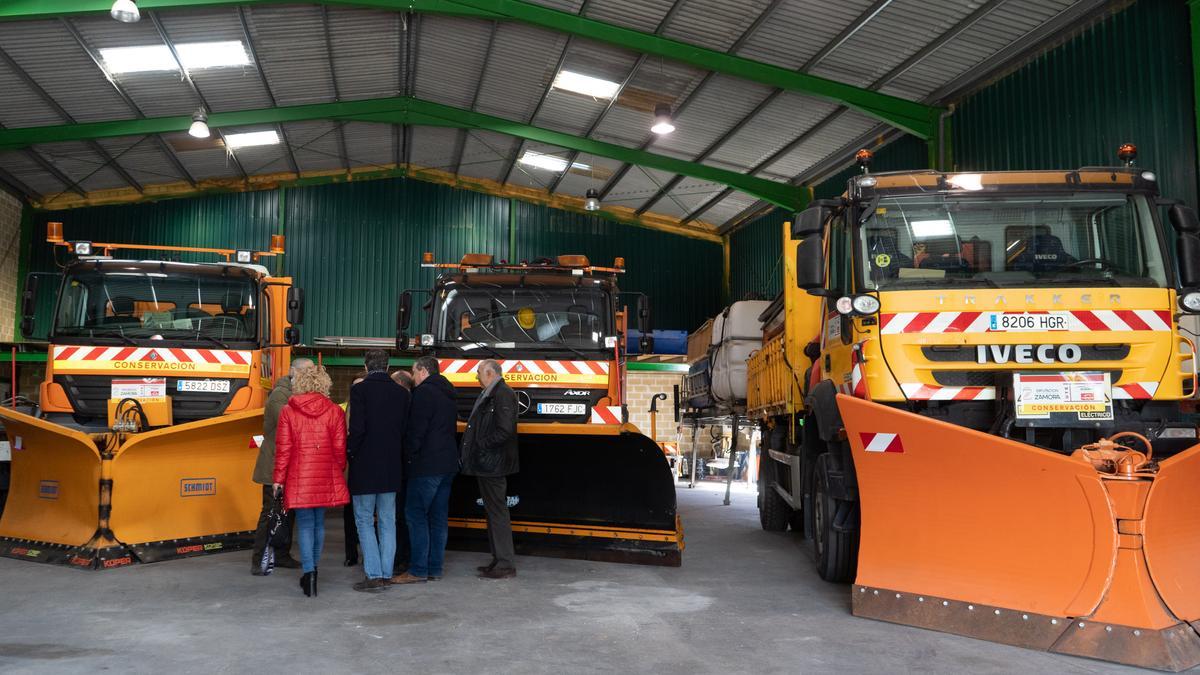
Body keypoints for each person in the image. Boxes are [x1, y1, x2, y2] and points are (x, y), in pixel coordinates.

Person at [272, 364, 349, 597]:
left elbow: (283, 449)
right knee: (319, 524)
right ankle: (314, 569)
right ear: (324, 384)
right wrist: (337, 469)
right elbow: (339, 449)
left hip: (299, 475)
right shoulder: (335, 411)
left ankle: (309, 575)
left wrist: (278, 479)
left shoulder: (288, 410)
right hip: (325, 472)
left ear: (301, 383)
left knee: (305, 524)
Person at [391, 357, 460, 584]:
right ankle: (434, 568)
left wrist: (408, 458)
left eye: (414, 371)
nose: (413, 376)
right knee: (438, 518)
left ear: (422, 370)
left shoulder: (424, 393)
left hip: (427, 466)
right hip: (448, 464)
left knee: (416, 515)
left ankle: (418, 570)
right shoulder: (448, 393)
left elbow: (416, 431)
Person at [347, 350, 410, 592]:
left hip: (365, 465)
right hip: (392, 466)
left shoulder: (359, 391)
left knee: (364, 520)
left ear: (365, 365)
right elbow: (404, 431)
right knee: (388, 521)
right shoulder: (401, 394)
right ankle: (385, 573)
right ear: (387, 366)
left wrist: (351, 453)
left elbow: (358, 429)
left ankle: (373, 575)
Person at [249, 358, 312, 575]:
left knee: (288, 513)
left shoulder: (297, 393)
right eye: (307, 371)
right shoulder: (280, 394)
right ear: (293, 371)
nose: (311, 375)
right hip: (274, 465)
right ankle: (259, 560)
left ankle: (282, 555)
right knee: (270, 513)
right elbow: (291, 420)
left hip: (291, 465)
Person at [460, 359, 519, 579]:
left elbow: (505, 430)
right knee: (493, 512)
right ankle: (498, 560)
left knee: (497, 512)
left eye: (478, 372)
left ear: (489, 372)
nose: (476, 376)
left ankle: (505, 564)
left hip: (493, 464)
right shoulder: (492, 393)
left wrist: (480, 445)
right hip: (487, 464)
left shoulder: (502, 394)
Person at [340, 376, 364, 568]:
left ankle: (365, 550)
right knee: (349, 514)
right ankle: (351, 553)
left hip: (364, 467)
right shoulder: (346, 409)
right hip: (349, 467)